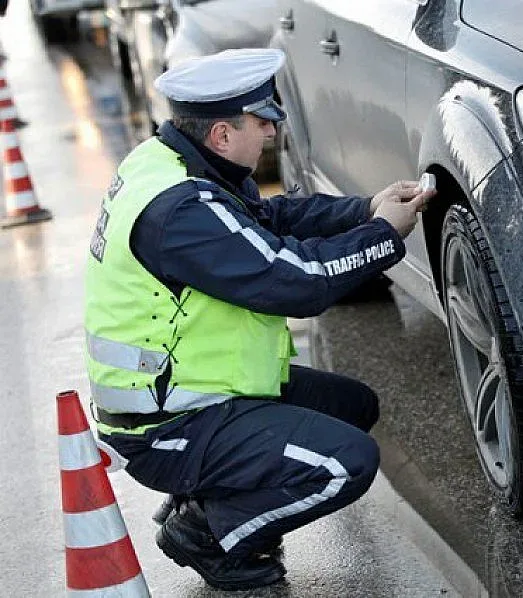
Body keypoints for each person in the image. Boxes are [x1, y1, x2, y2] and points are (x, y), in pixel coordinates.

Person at [83, 48, 435, 591]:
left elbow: (267, 218)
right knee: (346, 463)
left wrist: (365, 209)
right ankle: (209, 537)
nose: (272, 132)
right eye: (263, 120)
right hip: (168, 424)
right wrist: (383, 237)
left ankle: (209, 499)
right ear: (222, 134)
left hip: (199, 393)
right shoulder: (182, 212)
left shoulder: (175, 162)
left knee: (352, 408)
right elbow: (297, 283)